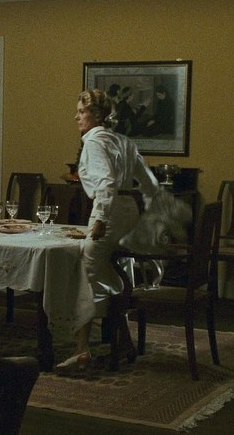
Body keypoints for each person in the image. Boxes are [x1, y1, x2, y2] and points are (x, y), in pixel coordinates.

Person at [55, 89, 159, 373]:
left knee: (84, 273)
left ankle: (82, 350)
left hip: (110, 211)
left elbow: (106, 183)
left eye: (82, 111)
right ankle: (122, 339)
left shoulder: (94, 141)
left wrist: (100, 218)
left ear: (98, 115)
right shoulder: (122, 141)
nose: (76, 117)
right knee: (110, 272)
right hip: (128, 210)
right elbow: (149, 183)